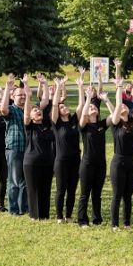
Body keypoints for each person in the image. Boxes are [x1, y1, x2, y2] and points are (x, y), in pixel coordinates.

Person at [77, 85, 114, 227]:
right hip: (87, 163)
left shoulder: (101, 125)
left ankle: (97, 218)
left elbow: (114, 115)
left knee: (97, 193)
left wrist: (106, 100)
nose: (93, 108)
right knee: (85, 193)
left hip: (101, 163)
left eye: (94, 107)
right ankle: (82, 220)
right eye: (90, 107)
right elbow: (83, 115)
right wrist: (88, 99)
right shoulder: (84, 126)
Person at [109, 62, 133, 231]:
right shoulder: (115, 124)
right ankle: (115, 224)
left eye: (126, 108)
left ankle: (127, 223)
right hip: (118, 162)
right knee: (117, 194)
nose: (125, 109)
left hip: (131, 161)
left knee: (128, 195)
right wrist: (119, 87)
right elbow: (118, 101)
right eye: (122, 108)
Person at [51, 76, 84, 223]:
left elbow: (81, 105)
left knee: (72, 189)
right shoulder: (56, 123)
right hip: (61, 160)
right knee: (61, 189)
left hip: (75, 159)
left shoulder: (73, 121)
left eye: (65, 106)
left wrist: (80, 86)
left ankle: (69, 216)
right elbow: (54, 105)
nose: (64, 107)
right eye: (61, 107)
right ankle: (59, 216)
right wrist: (58, 86)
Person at [22, 74, 53, 220]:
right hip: (31, 162)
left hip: (47, 161)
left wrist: (45, 83)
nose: (38, 111)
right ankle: (34, 215)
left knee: (45, 189)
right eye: (34, 111)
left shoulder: (47, 125)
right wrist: (28, 94)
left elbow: (46, 101)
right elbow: (27, 114)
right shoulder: (29, 126)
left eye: (38, 110)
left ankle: (45, 215)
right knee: (33, 189)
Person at [1, 74, 29, 215]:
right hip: (14, 148)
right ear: (13, 97)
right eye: (19, 95)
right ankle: (13, 209)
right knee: (14, 180)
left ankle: (23, 207)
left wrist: (27, 85)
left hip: (29, 150)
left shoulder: (28, 109)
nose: (22, 97)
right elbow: (3, 109)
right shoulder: (11, 110)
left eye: (24, 95)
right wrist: (8, 88)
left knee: (25, 180)